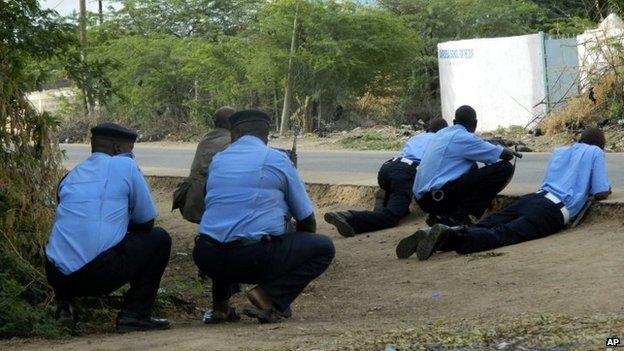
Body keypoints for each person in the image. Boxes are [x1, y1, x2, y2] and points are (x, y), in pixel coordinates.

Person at [193, 110, 335, 324]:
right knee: (323, 247)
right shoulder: (276, 159)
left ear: (234, 134)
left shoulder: (218, 160)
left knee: (224, 232)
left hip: (205, 256)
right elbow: (306, 219)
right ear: (266, 135)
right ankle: (269, 295)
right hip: (252, 258)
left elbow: (211, 204)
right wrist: (294, 251)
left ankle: (220, 307)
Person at [397, 127, 611, 260]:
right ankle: (454, 235)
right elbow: (600, 191)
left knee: (489, 223)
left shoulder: (560, 151)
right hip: (552, 209)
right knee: (504, 234)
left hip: (533, 198)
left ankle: (444, 233)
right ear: (599, 145)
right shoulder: (595, 152)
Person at [45, 123, 172, 332]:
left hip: (56, 275)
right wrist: (121, 224)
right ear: (117, 149)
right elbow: (146, 220)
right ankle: (135, 313)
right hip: (97, 275)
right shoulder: (125, 166)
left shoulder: (71, 176)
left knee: (72, 240)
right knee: (159, 239)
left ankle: (66, 307)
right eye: (130, 150)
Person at [324, 118, 448, 237]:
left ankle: (387, 196)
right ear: (444, 131)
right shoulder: (441, 140)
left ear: (428, 129)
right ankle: (349, 217)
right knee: (390, 218)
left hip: (387, 168)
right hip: (405, 174)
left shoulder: (417, 137)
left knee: (401, 205)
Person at [413, 105, 520, 226]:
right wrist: (505, 148)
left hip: (424, 199)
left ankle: (441, 215)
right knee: (504, 168)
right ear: (475, 123)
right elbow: (506, 155)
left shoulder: (442, 134)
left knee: (470, 166)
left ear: (454, 122)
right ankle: (460, 216)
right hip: (438, 198)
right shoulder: (463, 137)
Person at [173, 107, 235, 223]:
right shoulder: (230, 141)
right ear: (232, 122)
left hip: (194, 200)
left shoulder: (206, 138)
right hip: (209, 200)